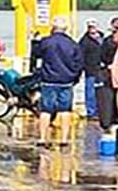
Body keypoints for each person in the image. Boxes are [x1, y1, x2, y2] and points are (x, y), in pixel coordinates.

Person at [35, 15, 83, 147]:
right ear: (66, 28)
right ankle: (64, 139)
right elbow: (79, 63)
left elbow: (36, 54)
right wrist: (74, 78)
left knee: (45, 110)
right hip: (66, 81)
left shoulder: (46, 42)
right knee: (65, 110)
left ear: (53, 27)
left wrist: (35, 41)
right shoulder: (73, 44)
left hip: (48, 80)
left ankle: (43, 138)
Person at [80, 19, 104, 120]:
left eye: (94, 27)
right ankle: (91, 112)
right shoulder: (84, 41)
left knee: (102, 92)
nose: (92, 29)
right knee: (90, 92)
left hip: (102, 70)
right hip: (90, 70)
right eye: (90, 27)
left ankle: (101, 111)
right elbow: (80, 55)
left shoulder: (102, 38)